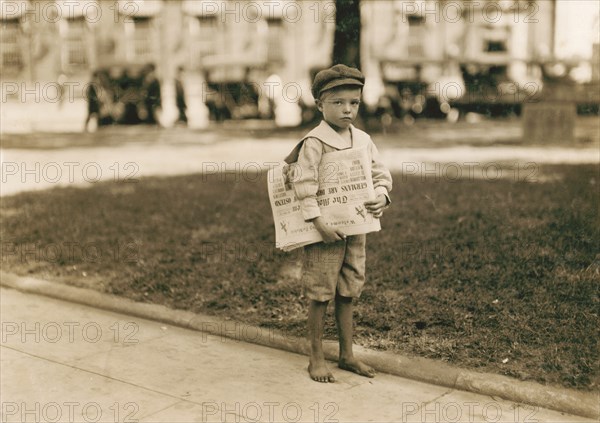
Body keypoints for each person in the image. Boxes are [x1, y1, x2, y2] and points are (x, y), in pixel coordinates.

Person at [284, 64, 393, 383]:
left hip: (356, 229)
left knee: (349, 290)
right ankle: (316, 358)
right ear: (319, 104)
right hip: (324, 233)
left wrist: (382, 195)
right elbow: (303, 184)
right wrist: (318, 222)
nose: (347, 109)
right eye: (338, 102)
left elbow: (380, 174)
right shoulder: (315, 141)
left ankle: (347, 355)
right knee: (320, 293)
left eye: (354, 102)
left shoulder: (362, 139)